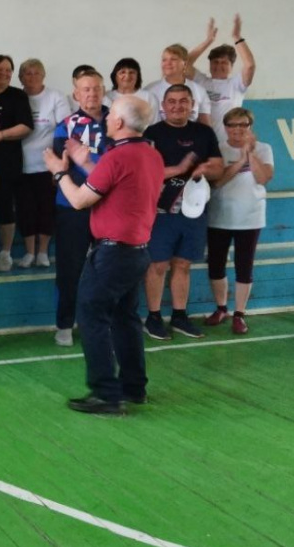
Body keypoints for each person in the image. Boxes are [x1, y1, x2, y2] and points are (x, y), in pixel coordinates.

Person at [43, 95, 164, 414]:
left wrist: (60, 172)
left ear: (120, 122)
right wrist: (85, 163)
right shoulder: (150, 155)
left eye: (112, 116)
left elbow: (79, 200)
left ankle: (106, 394)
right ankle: (134, 387)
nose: (107, 118)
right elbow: (117, 184)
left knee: (90, 313)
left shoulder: (115, 157)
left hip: (112, 254)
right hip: (137, 251)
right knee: (125, 318)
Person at [142, 84, 224, 340]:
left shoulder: (204, 132)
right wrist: (178, 169)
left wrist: (204, 170)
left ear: (192, 105)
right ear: (163, 106)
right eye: (172, 101)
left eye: (183, 101)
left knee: (183, 264)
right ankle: (153, 317)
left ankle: (179, 316)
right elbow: (145, 172)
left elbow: (218, 167)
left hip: (193, 209)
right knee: (157, 264)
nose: (177, 106)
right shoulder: (152, 133)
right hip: (160, 210)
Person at [203, 107, 274, 334]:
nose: (237, 129)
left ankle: (239, 314)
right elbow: (217, 182)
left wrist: (250, 154)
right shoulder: (217, 149)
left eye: (243, 125)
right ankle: (221, 307)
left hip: (250, 216)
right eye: (232, 125)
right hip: (220, 216)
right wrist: (240, 160)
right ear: (225, 128)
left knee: (244, 266)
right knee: (216, 264)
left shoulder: (264, 148)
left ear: (250, 127)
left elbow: (263, 178)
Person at [52, 70, 109, 346]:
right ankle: (64, 324)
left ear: (104, 90)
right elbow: (59, 165)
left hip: (109, 207)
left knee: (108, 268)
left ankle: (104, 323)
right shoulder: (65, 126)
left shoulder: (118, 121)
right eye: (86, 89)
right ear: (76, 94)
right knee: (69, 268)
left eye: (96, 88)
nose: (92, 93)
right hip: (71, 206)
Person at [16, 58, 71, 268]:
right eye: (27, 73)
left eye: (36, 73)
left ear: (43, 75)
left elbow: (64, 129)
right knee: (26, 210)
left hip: (48, 164)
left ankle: (42, 252)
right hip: (21, 164)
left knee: (46, 209)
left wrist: (60, 163)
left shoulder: (55, 96)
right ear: (20, 78)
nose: (32, 77)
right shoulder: (17, 97)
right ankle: (29, 252)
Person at [0, 54, 33, 271]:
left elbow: (26, 126)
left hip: (7, 162)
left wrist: (0, 135)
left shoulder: (17, 96)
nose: (4, 73)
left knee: (5, 206)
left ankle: (5, 253)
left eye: (8, 70)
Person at [186, 16, 257, 142]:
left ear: (231, 66)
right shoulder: (201, 81)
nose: (219, 66)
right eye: (215, 62)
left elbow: (250, 65)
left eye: (224, 62)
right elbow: (184, 64)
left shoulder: (236, 84)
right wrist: (208, 41)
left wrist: (237, 37)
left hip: (230, 144)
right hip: (204, 144)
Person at [143, 44, 212, 126]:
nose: (168, 63)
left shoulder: (199, 90)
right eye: (164, 60)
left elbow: (206, 126)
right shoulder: (149, 91)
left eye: (173, 59)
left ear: (185, 64)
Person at [103, 57, 160, 127]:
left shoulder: (148, 97)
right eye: (122, 72)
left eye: (132, 72)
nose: (127, 76)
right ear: (115, 77)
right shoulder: (107, 97)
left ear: (138, 76)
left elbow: (154, 125)